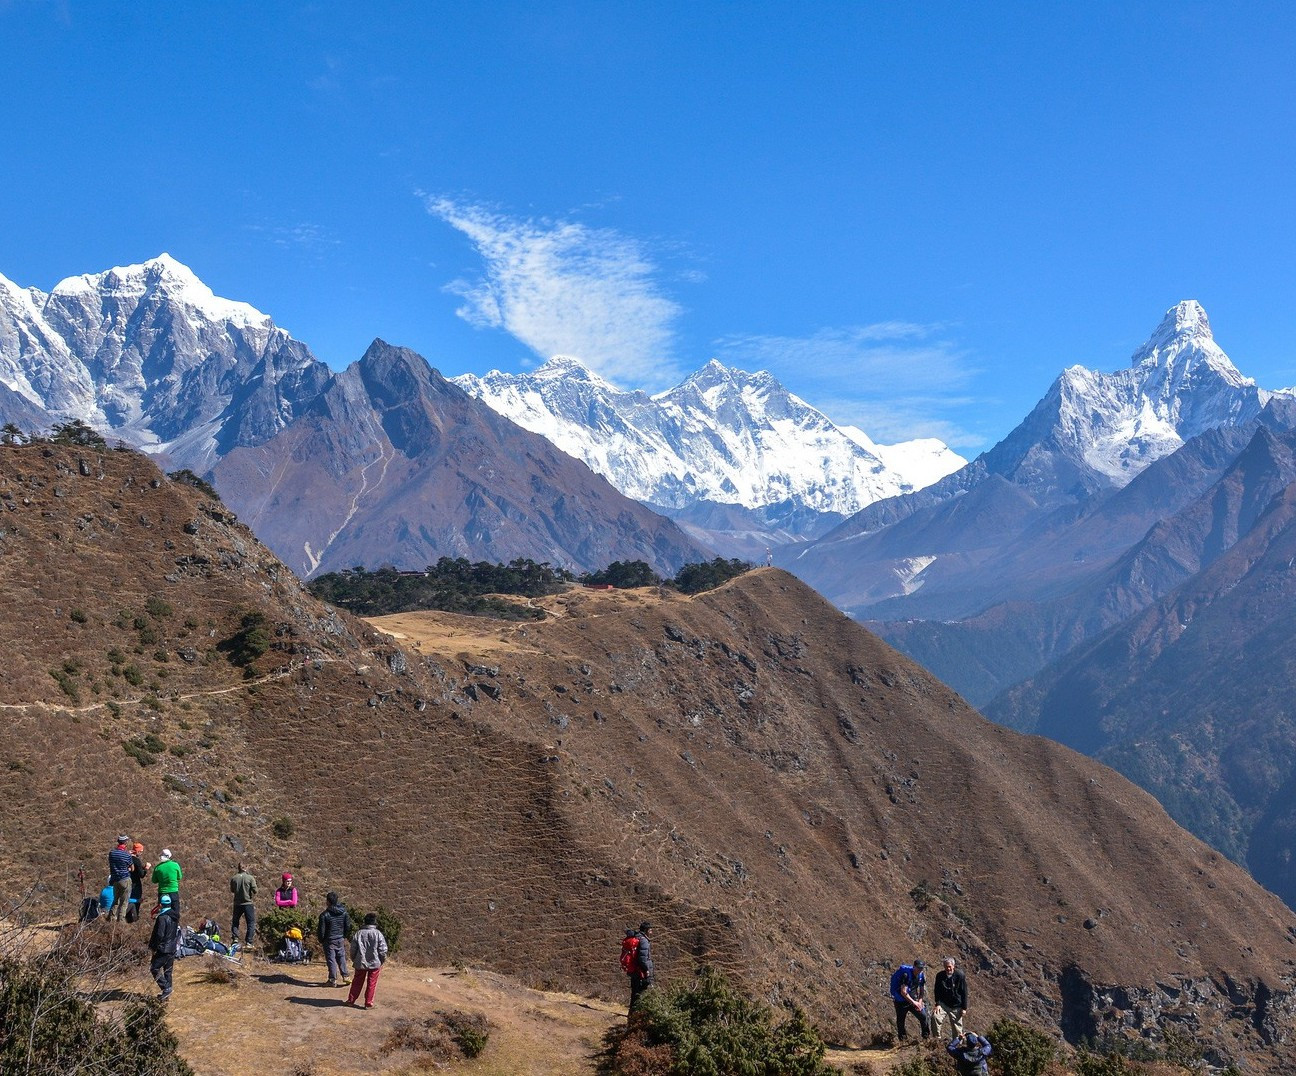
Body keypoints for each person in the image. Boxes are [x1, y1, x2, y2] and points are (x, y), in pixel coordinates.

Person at [347, 912, 389, 1009]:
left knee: (357, 981)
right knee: (372, 983)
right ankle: (368, 1003)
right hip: (375, 962)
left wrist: (354, 959)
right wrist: (382, 960)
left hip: (360, 961)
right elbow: (383, 950)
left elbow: (353, 948)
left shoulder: (359, 933)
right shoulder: (378, 934)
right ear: (374, 922)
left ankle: (351, 1000)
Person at [148, 893, 180, 1000]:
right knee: (168, 971)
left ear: (161, 905)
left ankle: (166, 988)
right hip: (172, 947)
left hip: (163, 948)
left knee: (154, 968)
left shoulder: (162, 918)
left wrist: (153, 947)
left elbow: (159, 935)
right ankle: (167, 994)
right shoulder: (174, 916)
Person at [317, 891, 352, 987]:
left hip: (329, 940)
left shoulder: (324, 915)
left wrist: (321, 940)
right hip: (340, 938)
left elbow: (321, 930)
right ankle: (346, 976)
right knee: (341, 957)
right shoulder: (343, 912)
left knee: (331, 959)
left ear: (328, 901)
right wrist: (344, 935)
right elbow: (348, 926)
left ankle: (332, 979)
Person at [890, 959, 929, 1041]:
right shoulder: (906, 975)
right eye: (918, 968)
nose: (919, 970)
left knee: (923, 1016)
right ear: (914, 967)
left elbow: (921, 991)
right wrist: (914, 1002)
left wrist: (919, 1002)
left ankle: (926, 1038)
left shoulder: (921, 976)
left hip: (913, 1000)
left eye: (921, 968)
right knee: (901, 1021)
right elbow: (903, 992)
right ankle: (903, 1041)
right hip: (901, 1001)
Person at [933, 956, 969, 1042]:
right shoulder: (940, 976)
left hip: (956, 1005)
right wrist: (937, 1004)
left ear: (953, 966)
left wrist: (964, 1008)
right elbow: (936, 990)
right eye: (946, 966)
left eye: (949, 966)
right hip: (943, 1004)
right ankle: (936, 1040)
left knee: (957, 1028)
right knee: (935, 1017)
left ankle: (956, 1045)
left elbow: (964, 992)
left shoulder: (960, 976)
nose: (948, 968)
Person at [628, 921, 654, 1013]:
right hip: (640, 972)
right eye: (650, 930)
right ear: (646, 930)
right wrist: (646, 970)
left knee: (635, 993)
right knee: (640, 994)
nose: (651, 932)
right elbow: (642, 959)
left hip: (634, 971)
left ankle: (632, 1014)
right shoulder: (644, 941)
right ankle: (635, 1016)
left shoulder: (637, 937)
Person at [230, 863, 258, 946]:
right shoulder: (250, 878)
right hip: (247, 903)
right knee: (251, 922)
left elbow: (232, 890)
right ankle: (249, 941)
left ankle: (235, 938)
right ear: (246, 867)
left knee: (235, 921)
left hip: (237, 903)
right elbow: (255, 890)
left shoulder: (234, 878)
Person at [107, 835, 133, 921]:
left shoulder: (112, 853)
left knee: (115, 900)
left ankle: (111, 918)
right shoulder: (127, 855)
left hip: (115, 880)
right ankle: (121, 921)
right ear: (125, 842)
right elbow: (132, 868)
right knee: (124, 902)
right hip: (125, 879)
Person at [151, 848, 182, 915]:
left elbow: (154, 880)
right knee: (175, 912)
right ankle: (174, 924)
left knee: (163, 912)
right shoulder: (175, 865)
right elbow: (179, 877)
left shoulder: (158, 867)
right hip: (173, 891)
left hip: (162, 892)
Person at [128, 842, 151, 923]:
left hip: (128, 882)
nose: (141, 853)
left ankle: (128, 918)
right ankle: (134, 918)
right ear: (137, 851)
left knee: (128, 901)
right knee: (136, 902)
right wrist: (146, 868)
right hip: (135, 884)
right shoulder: (136, 860)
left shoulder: (128, 858)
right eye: (140, 851)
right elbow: (141, 875)